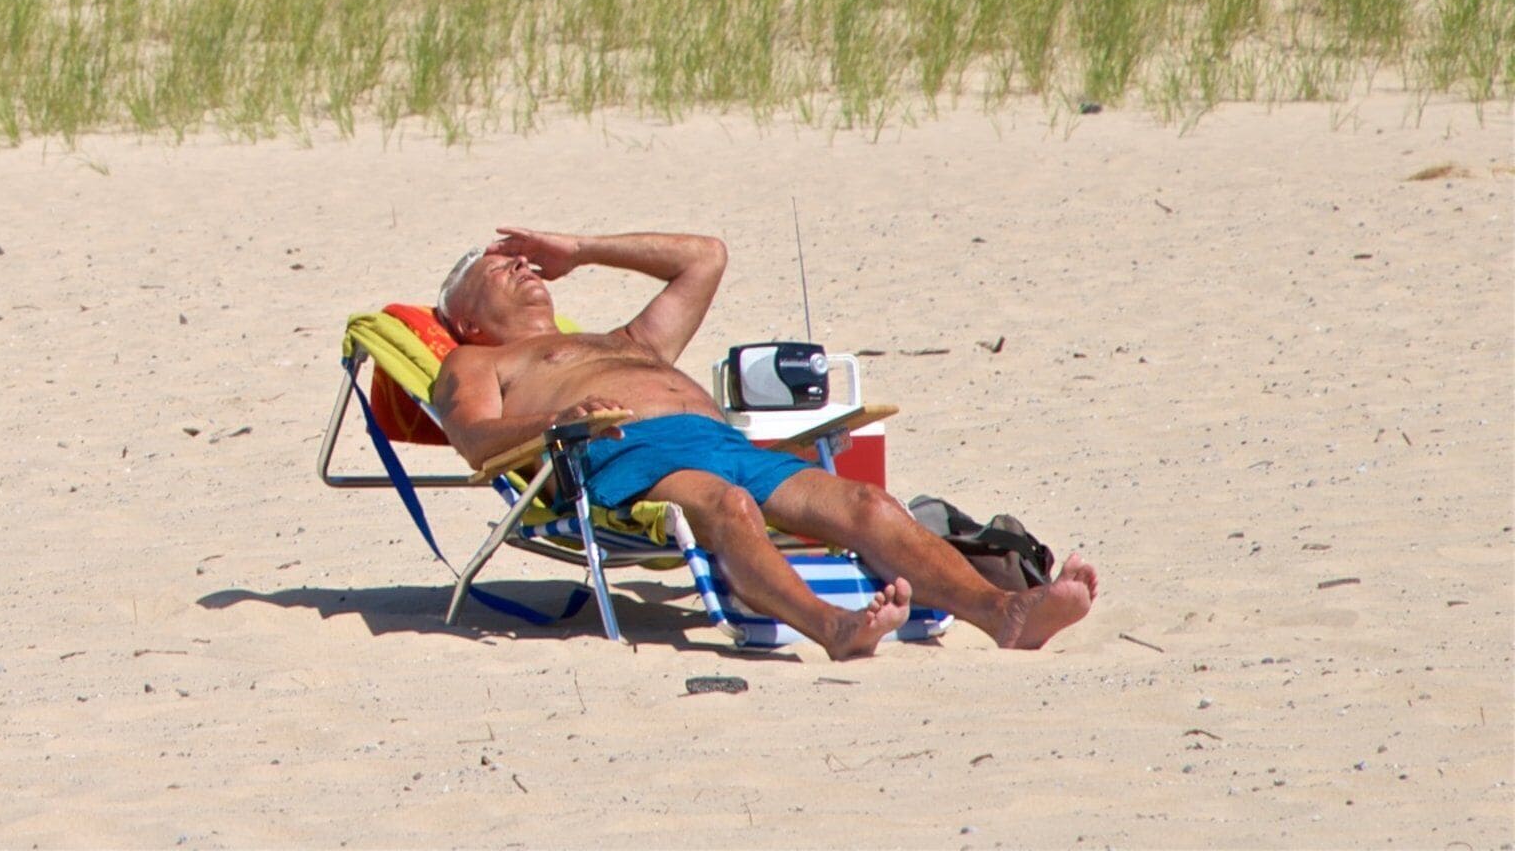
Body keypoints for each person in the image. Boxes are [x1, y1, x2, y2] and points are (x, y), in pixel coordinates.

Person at [428, 226, 1099, 660]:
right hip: (624, 452)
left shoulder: (624, 342)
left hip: (723, 441)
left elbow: (705, 257)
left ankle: (1004, 611)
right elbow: (476, 440)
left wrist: (581, 250)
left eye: (521, 257)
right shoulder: (478, 363)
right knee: (729, 509)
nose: (521, 264)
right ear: (465, 318)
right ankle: (832, 626)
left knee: (867, 503)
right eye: (496, 267)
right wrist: (559, 419)